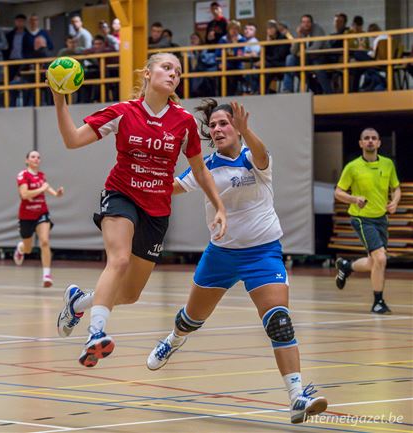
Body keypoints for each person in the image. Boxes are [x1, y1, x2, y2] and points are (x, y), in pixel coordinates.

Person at [146, 100, 328, 424]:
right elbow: (176, 185)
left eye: (223, 123)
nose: (217, 129)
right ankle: (173, 340)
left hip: (263, 253)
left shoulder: (253, 157)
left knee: (278, 321)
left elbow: (261, 154)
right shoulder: (206, 166)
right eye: (213, 125)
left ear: (237, 127)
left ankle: (297, 396)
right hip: (221, 255)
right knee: (190, 319)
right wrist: (147, 177)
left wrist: (247, 131)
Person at [50, 52, 226, 367]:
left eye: (178, 71)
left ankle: (79, 302)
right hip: (122, 194)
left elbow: (200, 171)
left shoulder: (183, 121)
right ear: (147, 73)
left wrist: (220, 207)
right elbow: (72, 140)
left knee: (130, 294)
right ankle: (95, 334)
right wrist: (60, 100)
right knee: (117, 260)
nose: (173, 74)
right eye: (167, 67)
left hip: (157, 209)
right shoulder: (123, 112)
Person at [334, 128, 401, 314]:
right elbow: (338, 192)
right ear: (361, 143)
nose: (370, 141)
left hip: (381, 218)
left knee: (376, 262)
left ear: (379, 143)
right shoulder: (352, 167)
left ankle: (347, 266)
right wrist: (354, 199)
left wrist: (394, 202)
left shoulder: (388, 164)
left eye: (373, 138)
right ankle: (378, 302)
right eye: (366, 138)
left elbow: (396, 188)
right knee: (380, 258)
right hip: (362, 218)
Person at [14, 150, 64, 287]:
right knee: (28, 249)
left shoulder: (42, 176)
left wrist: (57, 193)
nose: (36, 159)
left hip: (42, 213)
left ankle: (47, 275)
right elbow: (24, 194)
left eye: (38, 157)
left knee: (45, 242)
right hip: (26, 215)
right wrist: (42, 189)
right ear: (27, 160)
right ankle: (21, 248)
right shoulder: (22, 175)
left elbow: (49, 190)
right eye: (33, 157)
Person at [283, 14, 332, 94]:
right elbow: (293, 51)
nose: (306, 24)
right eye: (303, 22)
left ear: (312, 23)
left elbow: (316, 46)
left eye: (308, 22)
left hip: (320, 56)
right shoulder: (300, 32)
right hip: (306, 58)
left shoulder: (318, 30)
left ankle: (328, 92)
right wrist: (298, 36)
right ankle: (287, 89)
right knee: (290, 58)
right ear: (301, 24)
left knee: (318, 68)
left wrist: (302, 53)